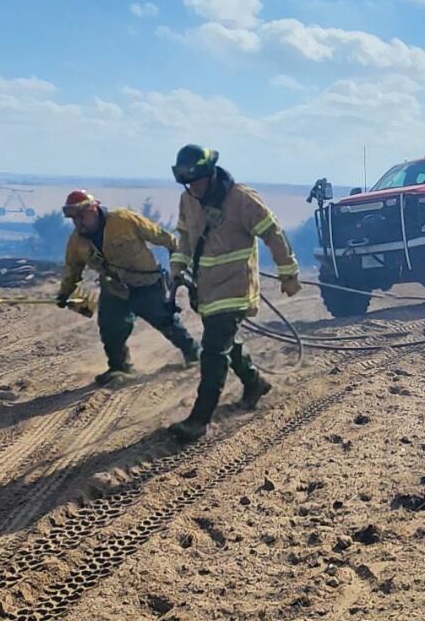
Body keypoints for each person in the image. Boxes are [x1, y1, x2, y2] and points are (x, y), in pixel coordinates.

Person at [166, 145, 300, 443]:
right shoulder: (187, 199)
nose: (194, 189)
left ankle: (199, 420)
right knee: (226, 341)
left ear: (210, 174)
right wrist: (177, 269)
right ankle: (254, 383)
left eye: (198, 181)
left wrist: (288, 272)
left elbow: (273, 233)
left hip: (236, 289)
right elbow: (185, 238)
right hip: (207, 289)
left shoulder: (241, 199)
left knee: (213, 350)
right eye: (189, 184)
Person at [56, 189, 200, 385]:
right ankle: (120, 368)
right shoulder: (76, 243)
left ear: (94, 209)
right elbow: (72, 269)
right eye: (74, 219)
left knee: (165, 321)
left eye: (82, 216)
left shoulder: (124, 219)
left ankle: (194, 356)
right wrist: (65, 293)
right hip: (114, 290)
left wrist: (181, 265)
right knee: (110, 328)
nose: (78, 222)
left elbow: (165, 239)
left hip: (146, 285)